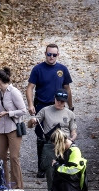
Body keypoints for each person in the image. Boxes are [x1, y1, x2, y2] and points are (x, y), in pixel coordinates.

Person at [26, 43, 73, 178]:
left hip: (58, 106)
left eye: (54, 54)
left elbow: (67, 89)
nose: (51, 57)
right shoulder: (38, 69)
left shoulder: (62, 69)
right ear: (45, 54)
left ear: (58, 55)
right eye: (49, 54)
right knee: (42, 137)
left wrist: (71, 106)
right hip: (42, 105)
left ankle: (59, 163)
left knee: (60, 135)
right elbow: (30, 88)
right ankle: (42, 167)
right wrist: (30, 104)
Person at [28, 89, 77, 191]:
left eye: (62, 101)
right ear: (54, 99)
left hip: (65, 143)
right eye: (58, 100)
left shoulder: (70, 114)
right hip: (51, 144)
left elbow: (74, 131)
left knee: (68, 169)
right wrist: (32, 121)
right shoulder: (45, 110)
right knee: (50, 171)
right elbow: (32, 123)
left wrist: (72, 139)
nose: (60, 103)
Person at [0, 67, 26, 189]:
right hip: (1, 129)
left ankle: (18, 186)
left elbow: (23, 110)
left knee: (14, 157)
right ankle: (4, 184)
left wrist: (7, 113)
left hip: (13, 128)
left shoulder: (13, 92)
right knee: (1, 157)